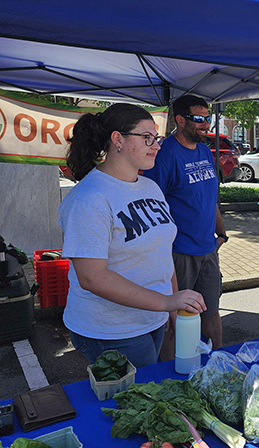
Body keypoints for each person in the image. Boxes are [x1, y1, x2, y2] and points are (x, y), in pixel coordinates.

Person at [58, 104, 206, 367]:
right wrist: (166, 301)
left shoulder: (150, 187)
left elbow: (162, 252)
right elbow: (92, 277)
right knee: (134, 403)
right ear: (118, 140)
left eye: (157, 138)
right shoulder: (89, 198)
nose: (157, 146)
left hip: (152, 318)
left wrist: (171, 306)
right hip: (111, 330)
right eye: (146, 138)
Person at [143, 95, 227, 353]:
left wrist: (220, 232)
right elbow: (152, 206)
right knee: (176, 316)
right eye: (199, 119)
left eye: (208, 118)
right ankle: (169, 374)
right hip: (177, 254)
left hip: (207, 250)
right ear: (180, 120)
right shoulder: (165, 155)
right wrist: (161, 252)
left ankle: (219, 363)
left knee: (210, 312)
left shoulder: (203, 149)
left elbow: (209, 196)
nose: (205, 125)